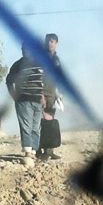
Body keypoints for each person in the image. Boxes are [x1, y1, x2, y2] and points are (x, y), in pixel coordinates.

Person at [5, 42, 55, 170]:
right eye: (23, 49)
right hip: (23, 100)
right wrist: (14, 96)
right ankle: (27, 153)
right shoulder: (18, 65)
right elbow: (9, 80)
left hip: (37, 100)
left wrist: (42, 96)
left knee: (36, 127)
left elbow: (41, 82)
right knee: (26, 126)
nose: (25, 51)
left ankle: (33, 151)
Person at [38, 33, 64, 161]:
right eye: (48, 41)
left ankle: (49, 150)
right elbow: (37, 77)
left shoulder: (57, 60)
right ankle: (39, 151)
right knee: (40, 122)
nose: (50, 43)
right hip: (42, 93)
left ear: (56, 43)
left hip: (53, 94)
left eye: (52, 41)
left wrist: (59, 95)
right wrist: (40, 94)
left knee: (51, 122)